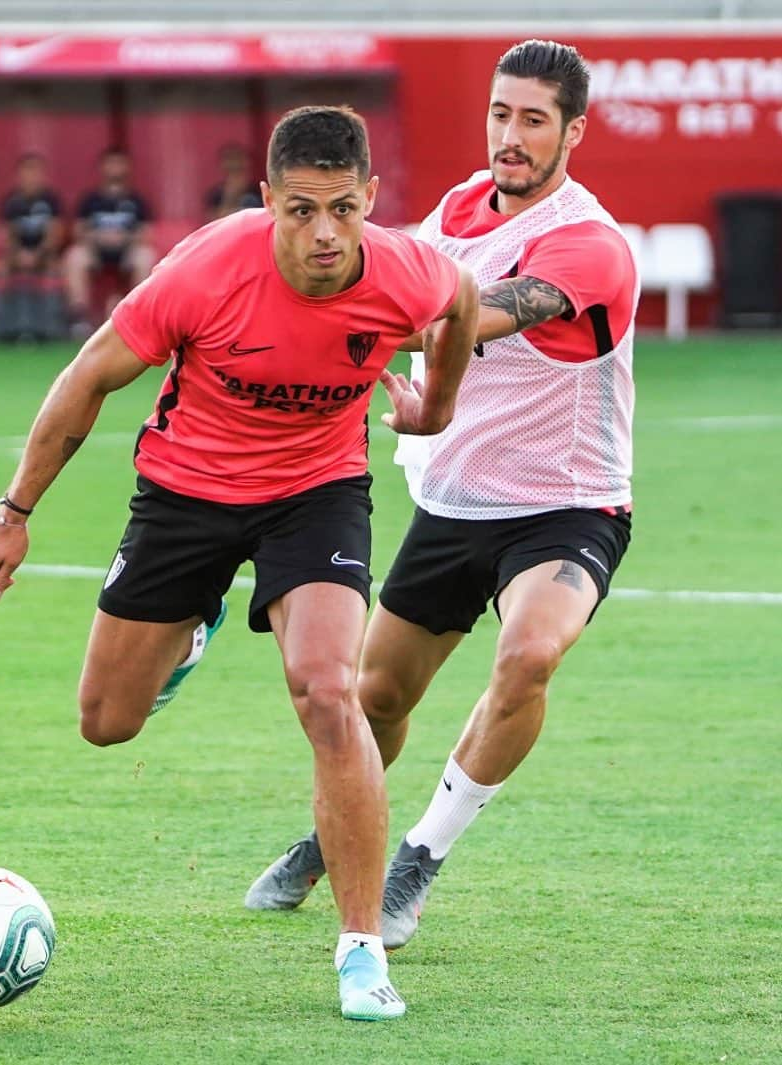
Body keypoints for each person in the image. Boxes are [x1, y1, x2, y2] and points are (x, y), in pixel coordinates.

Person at [0, 105, 479, 1020]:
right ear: (266, 201)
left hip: (316, 492)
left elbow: (461, 302)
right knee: (105, 722)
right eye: (298, 210)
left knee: (329, 691)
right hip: (185, 493)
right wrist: (14, 511)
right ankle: (194, 629)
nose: (323, 232)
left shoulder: (406, 271)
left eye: (341, 208)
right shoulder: (205, 269)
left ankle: (361, 950)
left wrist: (436, 408)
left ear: (369, 197)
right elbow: (88, 375)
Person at [245, 40, 639, 952]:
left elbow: (461, 314)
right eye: (500, 113)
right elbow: (381, 281)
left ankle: (419, 854)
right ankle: (339, 836)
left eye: (533, 119)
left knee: (530, 653)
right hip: (453, 505)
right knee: (371, 701)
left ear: (572, 132)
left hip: (565, 505)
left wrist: (381, 335)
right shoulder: (455, 210)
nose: (510, 134)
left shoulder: (590, 244)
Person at [64, 148, 157, 331]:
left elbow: (146, 233)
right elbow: (78, 231)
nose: (115, 169)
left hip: (127, 251)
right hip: (96, 250)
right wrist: (98, 237)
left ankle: (139, 316)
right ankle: (79, 318)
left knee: (145, 256)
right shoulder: (91, 200)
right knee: (75, 256)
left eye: (119, 164)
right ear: (102, 168)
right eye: (110, 164)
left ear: (127, 168)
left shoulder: (136, 200)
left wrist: (124, 237)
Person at [0, 152, 67, 342]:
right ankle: (2, 326)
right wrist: (19, 254)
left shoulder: (51, 201)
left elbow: (54, 234)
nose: (31, 177)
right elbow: (7, 236)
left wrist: (37, 254)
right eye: (27, 172)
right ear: (19, 175)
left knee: (55, 269)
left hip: (45, 255)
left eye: (35, 172)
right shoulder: (11, 202)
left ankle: (51, 327)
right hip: (17, 255)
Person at [204, 143, 264, 221]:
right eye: (230, 159)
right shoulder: (215, 195)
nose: (234, 163)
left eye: (237, 158)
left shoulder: (259, 190)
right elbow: (214, 222)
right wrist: (231, 195)